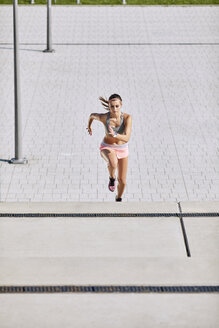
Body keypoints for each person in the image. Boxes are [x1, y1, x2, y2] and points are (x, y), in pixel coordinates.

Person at [87, 94, 132, 201]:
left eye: (117, 106)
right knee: (113, 162)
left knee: (123, 181)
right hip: (107, 147)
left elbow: (127, 138)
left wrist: (115, 135)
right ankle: (112, 178)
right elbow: (92, 115)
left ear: (121, 105)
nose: (114, 109)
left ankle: (118, 198)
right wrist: (89, 126)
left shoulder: (127, 118)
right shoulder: (104, 117)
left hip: (123, 149)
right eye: (112, 106)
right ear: (109, 106)